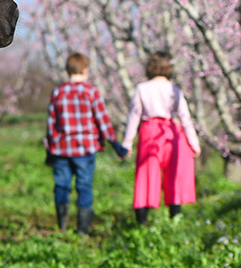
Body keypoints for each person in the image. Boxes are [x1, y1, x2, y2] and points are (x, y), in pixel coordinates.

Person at [45, 53, 128, 236]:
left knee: (61, 186)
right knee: (84, 186)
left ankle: (62, 226)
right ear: (85, 69)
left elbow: (51, 124)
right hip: (85, 148)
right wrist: (116, 145)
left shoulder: (58, 91)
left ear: (68, 70)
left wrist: (49, 151)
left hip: (61, 148)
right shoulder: (91, 91)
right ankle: (82, 230)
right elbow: (103, 121)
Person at [121, 51, 202, 225]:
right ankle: (175, 221)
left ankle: (142, 223)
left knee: (145, 176)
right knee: (174, 176)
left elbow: (134, 116)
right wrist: (194, 143)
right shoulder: (174, 89)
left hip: (149, 132)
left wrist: (127, 143)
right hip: (172, 132)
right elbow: (185, 117)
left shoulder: (142, 88)